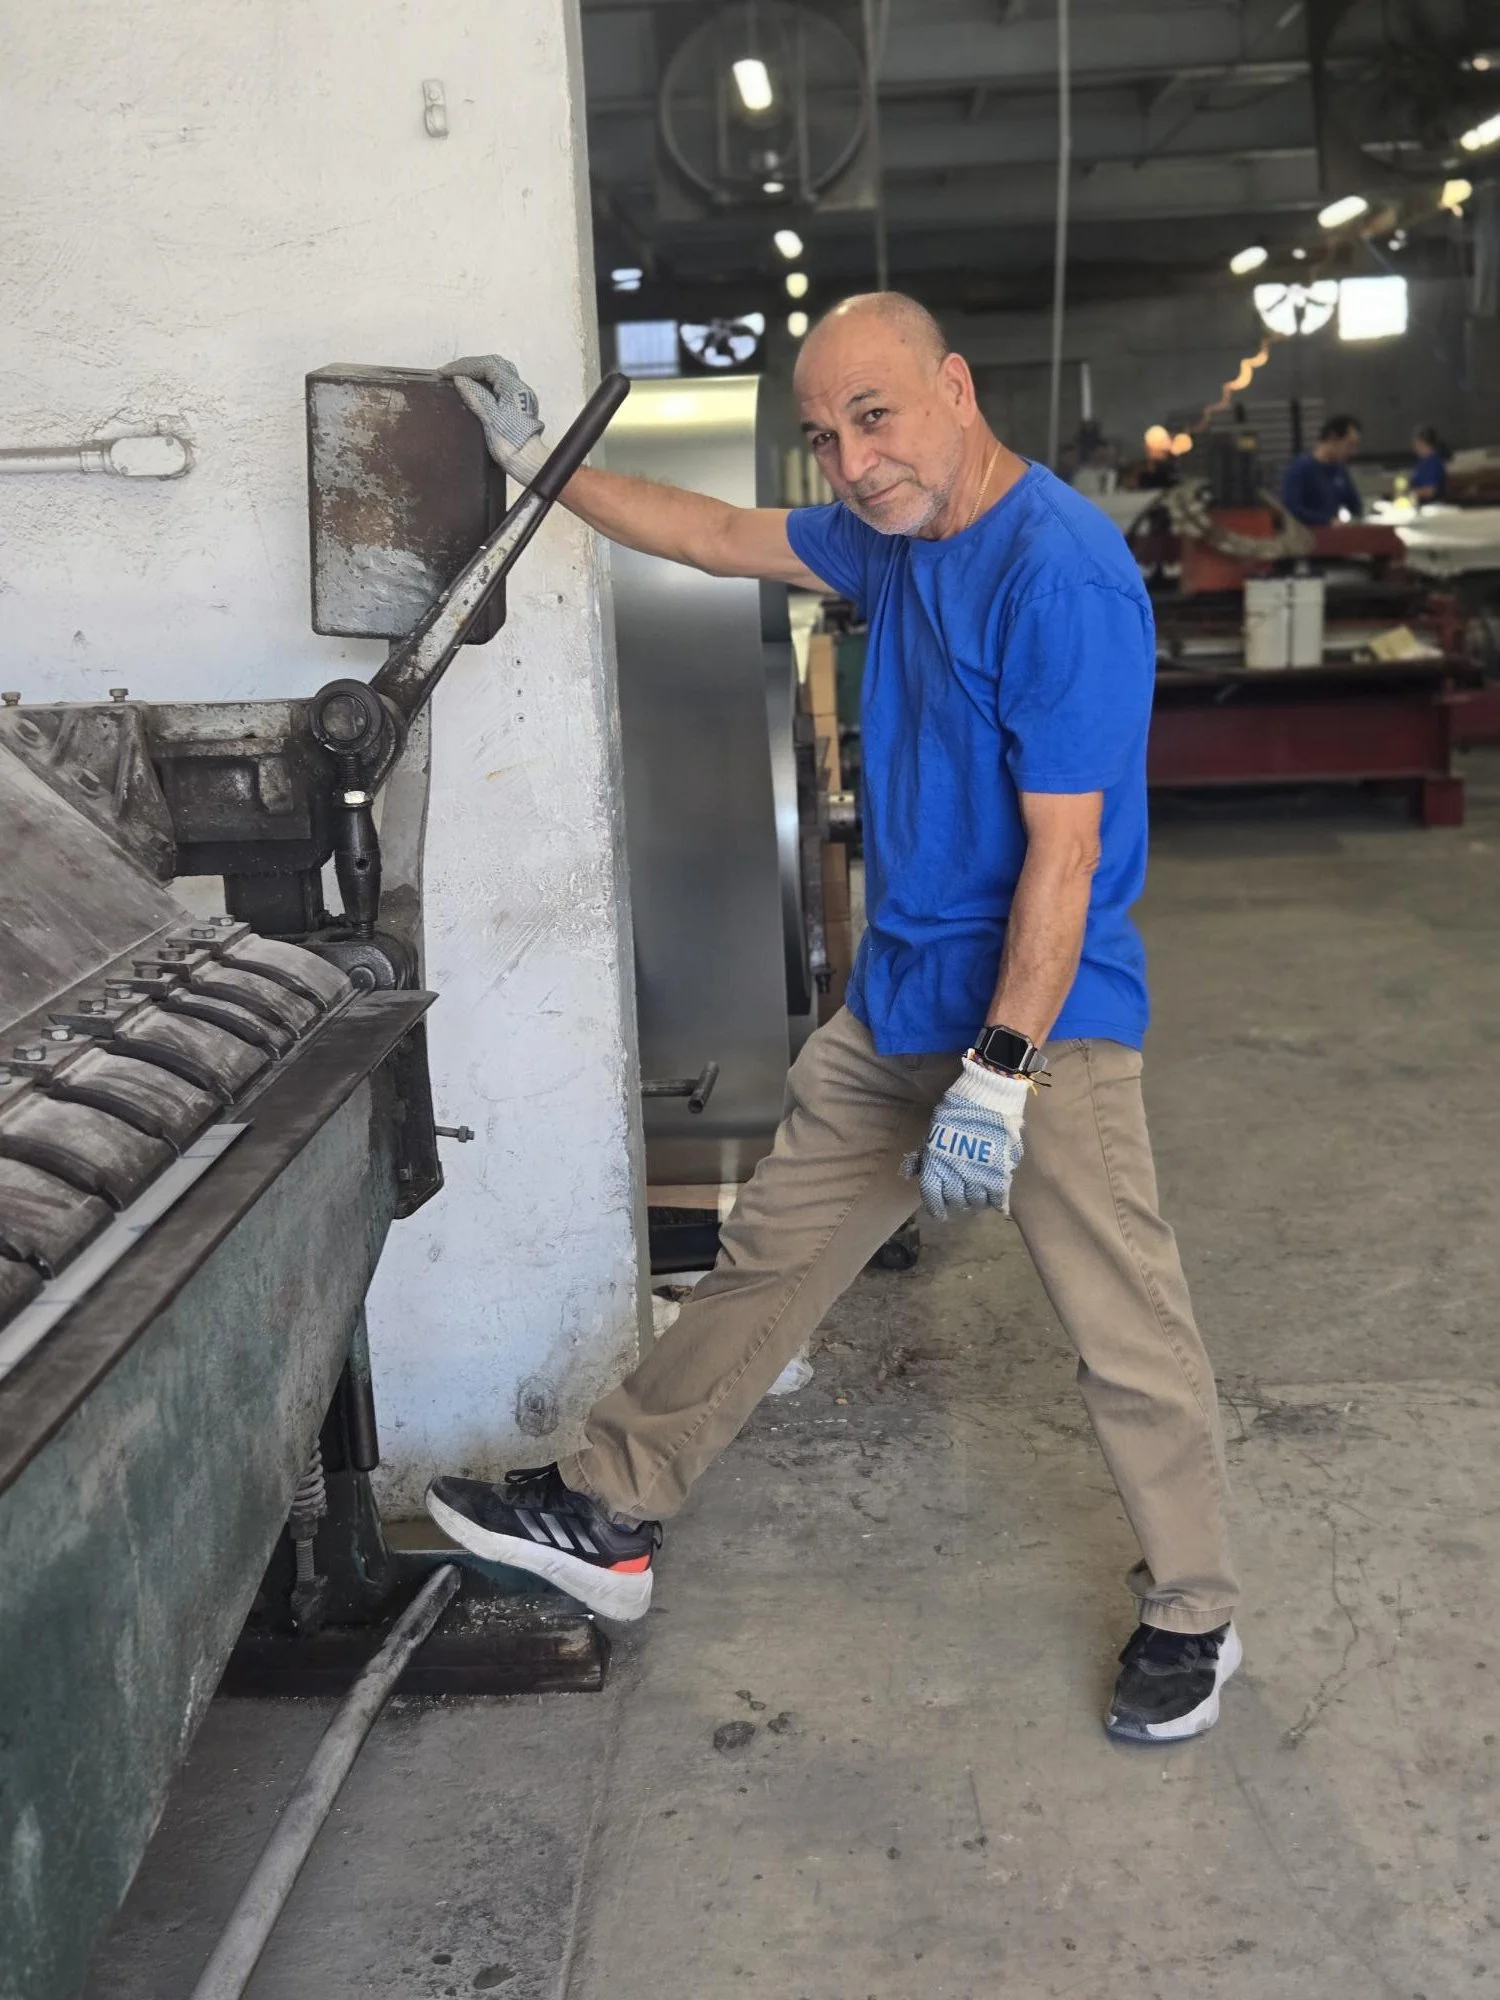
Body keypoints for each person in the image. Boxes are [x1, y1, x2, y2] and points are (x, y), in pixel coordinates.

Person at [426, 295, 1242, 1745]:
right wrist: (537, 458)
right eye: (824, 436)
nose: (854, 462)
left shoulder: (1062, 576)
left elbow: (1065, 857)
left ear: (955, 387)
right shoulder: (889, 539)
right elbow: (705, 534)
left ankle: (1194, 1612)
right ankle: (612, 1512)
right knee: (768, 1264)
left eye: (875, 418)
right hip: (897, 1007)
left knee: (1122, 1323)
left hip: (1041, 1024)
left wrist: (1001, 1073)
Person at [1280, 414, 1364, 525]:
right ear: (1332, 438)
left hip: (1333, 536)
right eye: (1349, 445)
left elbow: (1356, 506)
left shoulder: (1340, 471)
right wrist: (1326, 521)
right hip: (1307, 536)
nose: (1352, 452)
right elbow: (1290, 508)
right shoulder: (1301, 468)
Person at [1410, 425, 1449, 504]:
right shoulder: (1421, 462)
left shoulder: (1434, 462)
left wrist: (1410, 494)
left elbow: (1430, 491)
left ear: (1421, 442)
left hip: (1433, 505)